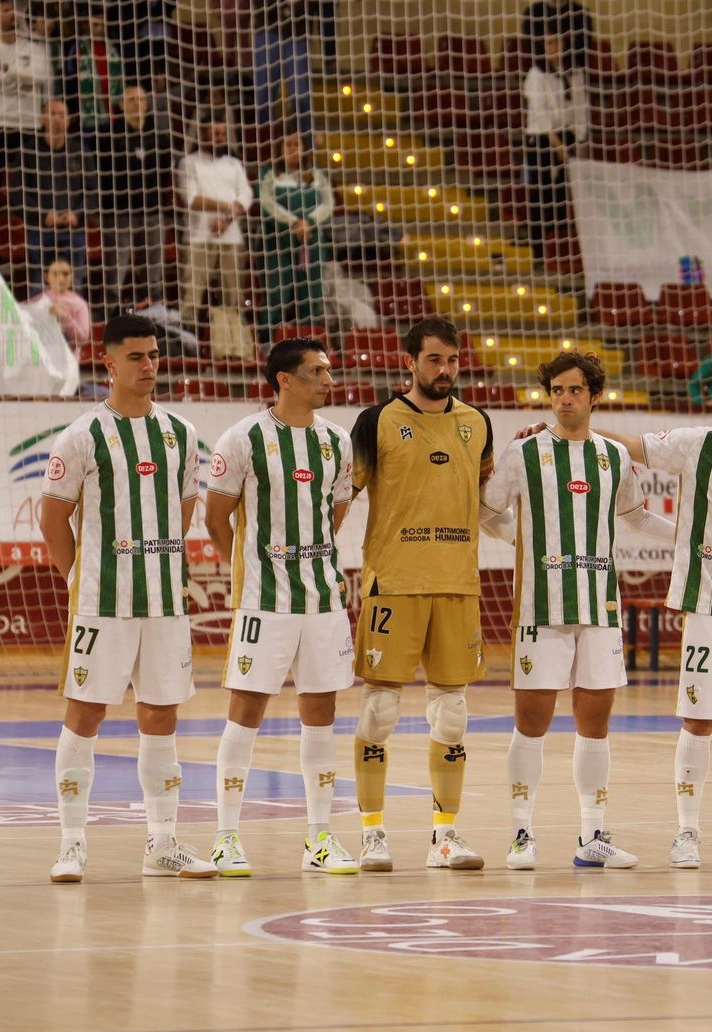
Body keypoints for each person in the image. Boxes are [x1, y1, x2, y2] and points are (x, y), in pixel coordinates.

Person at [562, 379, 712, 869]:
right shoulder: (698, 445)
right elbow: (629, 446)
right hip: (709, 604)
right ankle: (687, 832)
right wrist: (567, 429)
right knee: (701, 719)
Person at [38, 312, 217, 883]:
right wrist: (76, 578)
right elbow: (53, 517)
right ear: (109, 363)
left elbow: (186, 504)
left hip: (165, 602)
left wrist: (160, 552)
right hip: (102, 601)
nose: (149, 366)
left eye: (154, 355)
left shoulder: (181, 433)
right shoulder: (83, 434)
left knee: (161, 716)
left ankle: (162, 842)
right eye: (136, 356)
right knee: (86, 713)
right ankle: (71, 842)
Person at [480, 351, 674, 871]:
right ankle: (522, 832)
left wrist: (692, 539)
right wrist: (517, 538)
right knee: (533, 721)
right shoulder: (523, 453)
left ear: (594, 396)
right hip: (540, 608)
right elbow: (484, 509)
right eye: (557, 391)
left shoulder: (613, 455)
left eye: (574, 390)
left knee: (596, 723)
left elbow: (636, 516)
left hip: (600, 607)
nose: (564, 399)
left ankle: (593, 836)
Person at [205, 338, 359, 877]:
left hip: (321, 599)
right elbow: (215, 517)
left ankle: (320, 838)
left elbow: (334, 511)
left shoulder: (338, 441)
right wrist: (248, 570)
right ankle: (226, 837)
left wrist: (307, 557)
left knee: (322, 715)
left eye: (329, 370)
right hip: (263, 602)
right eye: (316, 371)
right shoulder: (244, 437)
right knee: (245, 712)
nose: (327, 379)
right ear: (284, 380)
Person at [349, 316, 494, 872]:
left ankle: (445, 836)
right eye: (434, 359)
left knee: (452, 714)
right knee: (381, 710)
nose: (445, 370)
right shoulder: (377, 421)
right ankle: (372, 832)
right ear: (409, 361)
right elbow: (342, 498)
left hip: (457, 584)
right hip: (396, 583)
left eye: (453, 359)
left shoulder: (476, 422)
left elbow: (486, 498)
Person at [177, 113, 254, 359]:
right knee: (192, 295)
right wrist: (225, 207)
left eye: (223, 132)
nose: (219, 136)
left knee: (233, 296)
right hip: (198, 237)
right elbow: (192, 199)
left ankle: (235, 349)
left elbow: (246, 196)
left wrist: (227, 220)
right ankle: (187, 348)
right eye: (215, 132)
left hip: (231, 238)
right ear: (203, 134)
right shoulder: (189, 163)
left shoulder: (234, 164)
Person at [99, 83, 170, 315]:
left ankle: (154, 304)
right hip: (119, 212)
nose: (137, 104)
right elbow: (105, 177)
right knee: (117, 262)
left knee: (153, 261)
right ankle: (111, 308)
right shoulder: (108, 138)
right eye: (131, 100)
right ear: (121, 105)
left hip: (151, 210)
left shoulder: (158, 138)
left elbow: (163, 175)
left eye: (140, 100)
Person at [257, 129, 333, 346]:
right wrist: (293, 222)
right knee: (277, 292)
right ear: (280, 148)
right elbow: (266, 202)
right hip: (278, 241)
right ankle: (267, 343)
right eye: (288, 145)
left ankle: (308, 343)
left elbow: (328, 203)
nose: (292, 150)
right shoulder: (271, 174)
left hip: (311, 241)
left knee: (311, 292)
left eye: (296, 145)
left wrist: (308, 221)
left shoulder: (315, 175)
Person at [0, 0, 51, 206]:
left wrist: (7, 71)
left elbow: (40, 76)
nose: (11, 15)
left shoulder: (33, 48)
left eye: (12, 10)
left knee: (30, 182)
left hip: (27, 122)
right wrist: (23, 78)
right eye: (5, 10)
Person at [522, 28, 586, 264]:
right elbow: (539, 111)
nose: (553, 48)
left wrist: (578, 140)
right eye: (548, 43)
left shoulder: (574, 73)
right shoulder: (537, 73)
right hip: (543, 138)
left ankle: (559, 250)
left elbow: (580, 108)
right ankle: (539, 252)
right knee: (542, 193)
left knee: (561, 195)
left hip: (567, 136)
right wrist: (557, 144)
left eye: (556, 43)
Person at [23, 97, 88, 283]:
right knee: (38, 282)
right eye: (52, 114)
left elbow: (93, 191)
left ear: (69, 119)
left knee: (74, 283)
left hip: (73, 229)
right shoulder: (28, 152)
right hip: (40, 230)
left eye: (62, 114)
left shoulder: (80, 152)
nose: (57, 118)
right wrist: (43, 215)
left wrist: (78, 214)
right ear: (42, 119)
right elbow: (18, 193)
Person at [248, 0, 316, 138]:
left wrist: (287, 7)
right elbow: (263, 4)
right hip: (268, 33)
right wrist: (287, 6)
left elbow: (310, 4)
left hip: (297, 36)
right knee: (263, 96)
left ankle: (306, 147)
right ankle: (264, 147)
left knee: (300, 96)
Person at [520, 0, 594, 73]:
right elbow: (531, 47)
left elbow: (583, 48)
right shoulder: (533, 12)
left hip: (573, 71)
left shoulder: (580, 13)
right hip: (542, 73)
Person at [63, 11, 124, 133]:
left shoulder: (112, 48)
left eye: (103, 24)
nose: (101, 28)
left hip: (110, 111)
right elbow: (71, 79)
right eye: (96, 24)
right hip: (87, 113)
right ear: (87, 25)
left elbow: (119, 78)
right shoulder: (77, 48)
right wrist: (74, 108)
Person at [26, 254, 92, 346]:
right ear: (46, 276)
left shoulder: (79, 304)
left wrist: (64, 316)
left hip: (68, 358)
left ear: (72, 276)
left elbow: (83, 339)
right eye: (55, 274)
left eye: (65, 274)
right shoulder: (35, 301)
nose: (61, 279)